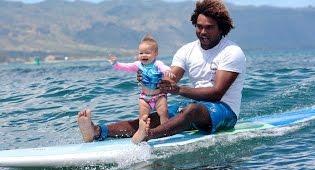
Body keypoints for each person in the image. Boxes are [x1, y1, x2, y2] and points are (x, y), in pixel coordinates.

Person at [77, 0, 246, 144]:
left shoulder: (231, 52)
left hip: (224, 111)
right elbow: (171, 78)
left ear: (221, 28)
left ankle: (148, 135)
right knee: (153, 117)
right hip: (194, 108)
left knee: (192, 110)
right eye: (199, 26)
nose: (202, 32)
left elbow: (216, 93)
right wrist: (151, 77)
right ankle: (98, 131)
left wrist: (178, 90)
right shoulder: (187, 50)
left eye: (209, 27)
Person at [107, 35, 174, 143]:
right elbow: (125, 67)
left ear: (155, 54)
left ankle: (164, 132)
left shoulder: (157, 64)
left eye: (147, 53)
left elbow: (164, 67)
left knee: (163, 113)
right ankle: (142, 132)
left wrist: (167, 70)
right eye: (141, 53)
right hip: (144, 98)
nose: (143, 55)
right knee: (143, 117)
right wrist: (116, 63)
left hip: (159, 97)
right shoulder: (138, 65)